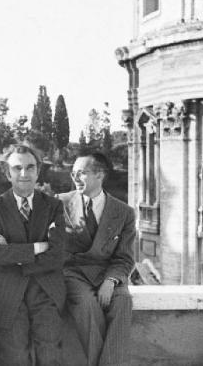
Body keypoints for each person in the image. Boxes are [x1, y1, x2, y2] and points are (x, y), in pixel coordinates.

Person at [0, 144, 66, 366]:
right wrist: (40, 247)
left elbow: (58, 254)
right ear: (7, 172)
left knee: (49, 354)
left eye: (30, 167)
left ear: (38, 171)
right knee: (15, 356)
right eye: (17, 168)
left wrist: (16, 254)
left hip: (45, 288)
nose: (24, 174)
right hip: (6, 289)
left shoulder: (54, 206)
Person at [57, 152, 135, 366]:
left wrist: (111, 281)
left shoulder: (124, 212)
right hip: (72, 273)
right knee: (86, 304)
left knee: (123, 301)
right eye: (73, 173)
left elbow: (125, 257)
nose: (74, 178)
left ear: (100, 174)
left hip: (108, 272)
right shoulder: (60, 203)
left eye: (81, 173)